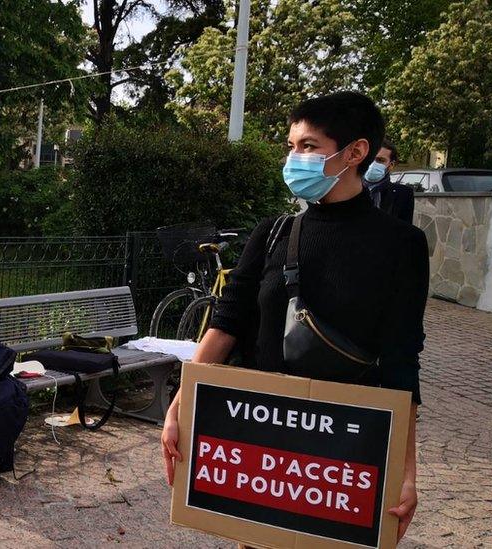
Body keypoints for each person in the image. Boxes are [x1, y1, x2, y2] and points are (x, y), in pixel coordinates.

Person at [161, 91, 426, 542]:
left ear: (356, 152)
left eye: (308, 146)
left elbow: (403, 359)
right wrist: (181, 402)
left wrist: (405, 470)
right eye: (291, 146)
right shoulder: (273, 233)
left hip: (340, 456)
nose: (294, 158)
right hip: (263, 448)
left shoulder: (401, 245)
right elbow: (227, 322)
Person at [363, 139, 414, 223]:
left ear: (391, 165)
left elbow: (404, 230)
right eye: (370, 158)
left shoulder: (403, 194)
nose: (373, 164)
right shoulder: (348, 190)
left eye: (380, 160)